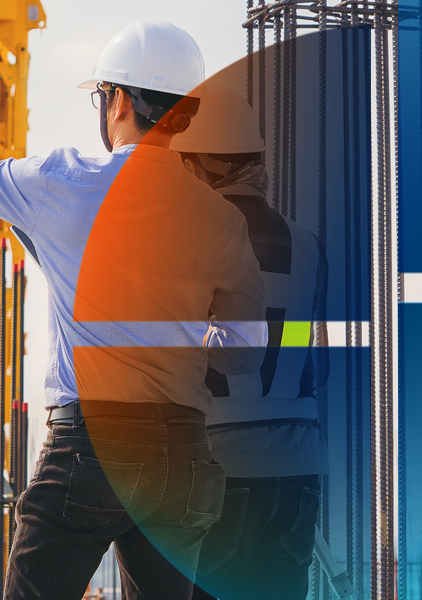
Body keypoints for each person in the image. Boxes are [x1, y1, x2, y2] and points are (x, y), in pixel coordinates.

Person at [0, 20, 267, 600]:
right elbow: (243, 358)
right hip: (181, 456)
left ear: (116, 101)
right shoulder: (223, 222)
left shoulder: (64, 183)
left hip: (91, 449)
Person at [172, 87, 329, 600]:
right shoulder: (309, 244)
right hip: (298, 469)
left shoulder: (191, 236)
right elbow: (317, 364)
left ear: (199, 165)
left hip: (221, 467)